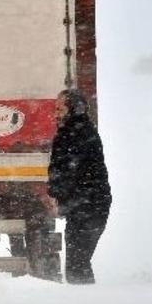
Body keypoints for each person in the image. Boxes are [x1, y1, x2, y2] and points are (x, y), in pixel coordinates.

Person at [47, 89, 112, 284]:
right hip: (90, 203)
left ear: (72, 109)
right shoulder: (81, 130)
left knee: (77, 262)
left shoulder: (73, 134)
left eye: (60, 108)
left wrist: (55, 193)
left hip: (87, 204)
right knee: (79, 261)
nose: (56, 113)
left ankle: (83, 303)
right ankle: (84, 301)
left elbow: (68, 169)